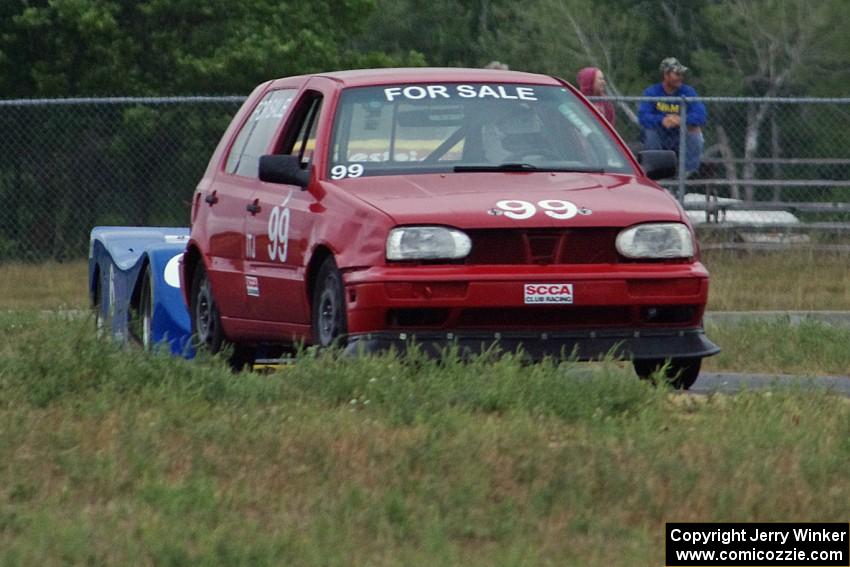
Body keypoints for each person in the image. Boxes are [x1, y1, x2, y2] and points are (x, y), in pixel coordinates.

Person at [638, 57, 706, 173]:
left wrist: (681, 120)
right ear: (666, 75)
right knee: (650, 131)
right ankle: (656, 173)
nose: (681, 77)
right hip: (659, 136)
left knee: (695, 130)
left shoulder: (687, 92)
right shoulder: (652, 92)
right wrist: (662, 120)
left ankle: (688, 174)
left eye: (681, 74)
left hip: (680, 137)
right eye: (677, 74)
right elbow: (643, 117)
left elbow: (701, 115)